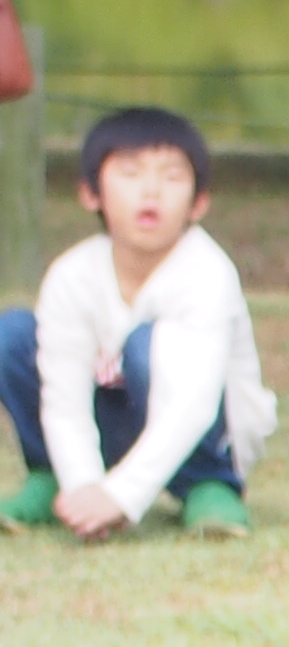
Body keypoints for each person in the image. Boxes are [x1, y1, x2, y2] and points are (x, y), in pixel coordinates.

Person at [0, 107, 271, 541]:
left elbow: (193, 405)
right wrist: (83, 487)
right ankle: (52, 478)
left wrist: (123, 497)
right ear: (91, 193)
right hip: (120, 424)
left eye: (171, 177)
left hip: (205, 431)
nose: (151, 191)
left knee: (147, 346)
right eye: (130, 172)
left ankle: (208, 485)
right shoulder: (72, 275)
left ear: (199, 202)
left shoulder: (207, 273)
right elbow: (63, 395)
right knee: (12, 336)